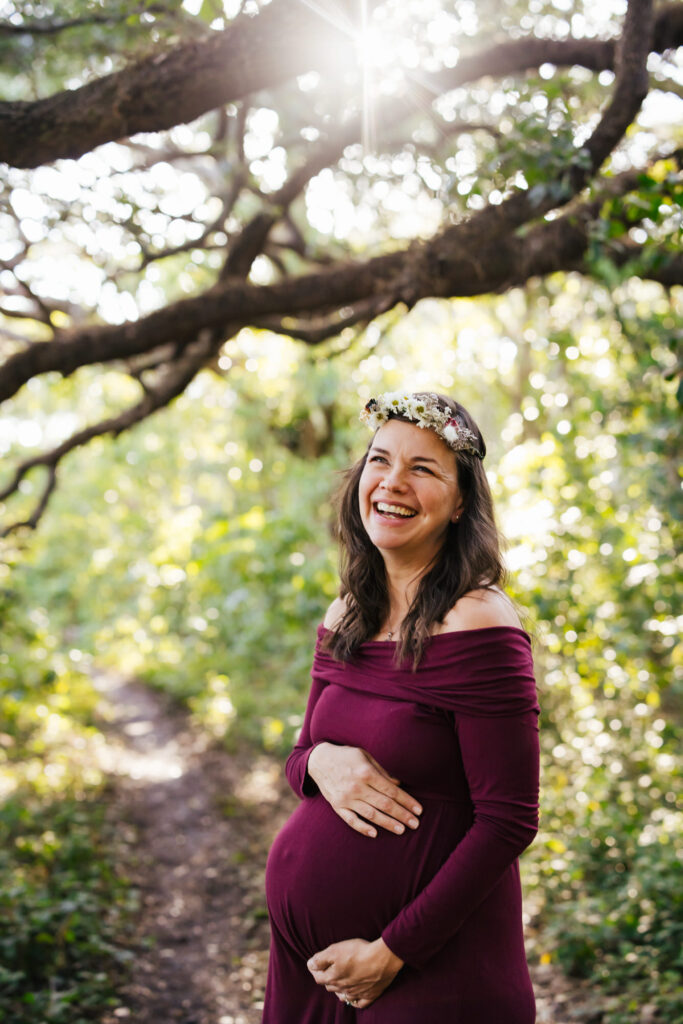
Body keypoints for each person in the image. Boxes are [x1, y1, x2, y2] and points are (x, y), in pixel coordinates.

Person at [262, 391, 540, 1023]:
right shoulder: (346, 616)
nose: (392, 483)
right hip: (308, 971)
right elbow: (299, 758)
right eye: (380, 461)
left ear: (462, 500)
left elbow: (509, 819)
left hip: (429, 972)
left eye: (423, 468)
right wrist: (321, 763)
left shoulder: (479, 621)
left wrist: (393, 950)